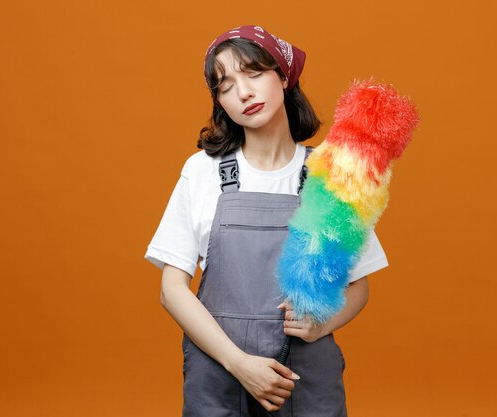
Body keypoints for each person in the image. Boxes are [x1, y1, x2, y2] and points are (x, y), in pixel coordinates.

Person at [144, 25, 389, 417]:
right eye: (225, 85)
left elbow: (359, 286)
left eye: (254, 73)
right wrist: (238, 363)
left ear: (283, 76)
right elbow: (171, 288)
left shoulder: (332, 176)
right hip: (219, 378)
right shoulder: (202, 172)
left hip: (307, 383)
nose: (243, 92)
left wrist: (320, 327)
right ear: (219, 102)